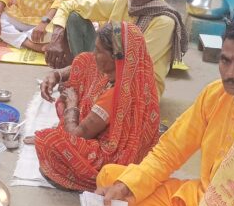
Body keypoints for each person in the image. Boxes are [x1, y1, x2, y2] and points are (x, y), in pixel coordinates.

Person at [96, 19, 234, 206]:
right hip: (202, 200)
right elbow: (169, 151)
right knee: (112, 179)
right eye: (225, 60)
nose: (230, 73)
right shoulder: (215, 94)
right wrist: (126, 186)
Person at [27, 22, 159, 191]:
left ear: (115, 57)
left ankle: (80, 178)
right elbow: (86, 62)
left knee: (49, 142)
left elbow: (76, 134)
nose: (94, 54)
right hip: (132, 150)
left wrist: (72, 105)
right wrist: (56, 74)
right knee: (84, 60)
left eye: (99, 50)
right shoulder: (136, 74)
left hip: (111, 158)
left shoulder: (114, 96)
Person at [45, 0, 187, 96]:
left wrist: (65, 72)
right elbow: (69, 5)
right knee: (75, 17)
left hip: (139, 86)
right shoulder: (123, 0)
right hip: (108, 66)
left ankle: (88, 83)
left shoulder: (164, 21)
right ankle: (88, 82)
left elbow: (131, 63)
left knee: (81, 100)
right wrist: (56, 38)